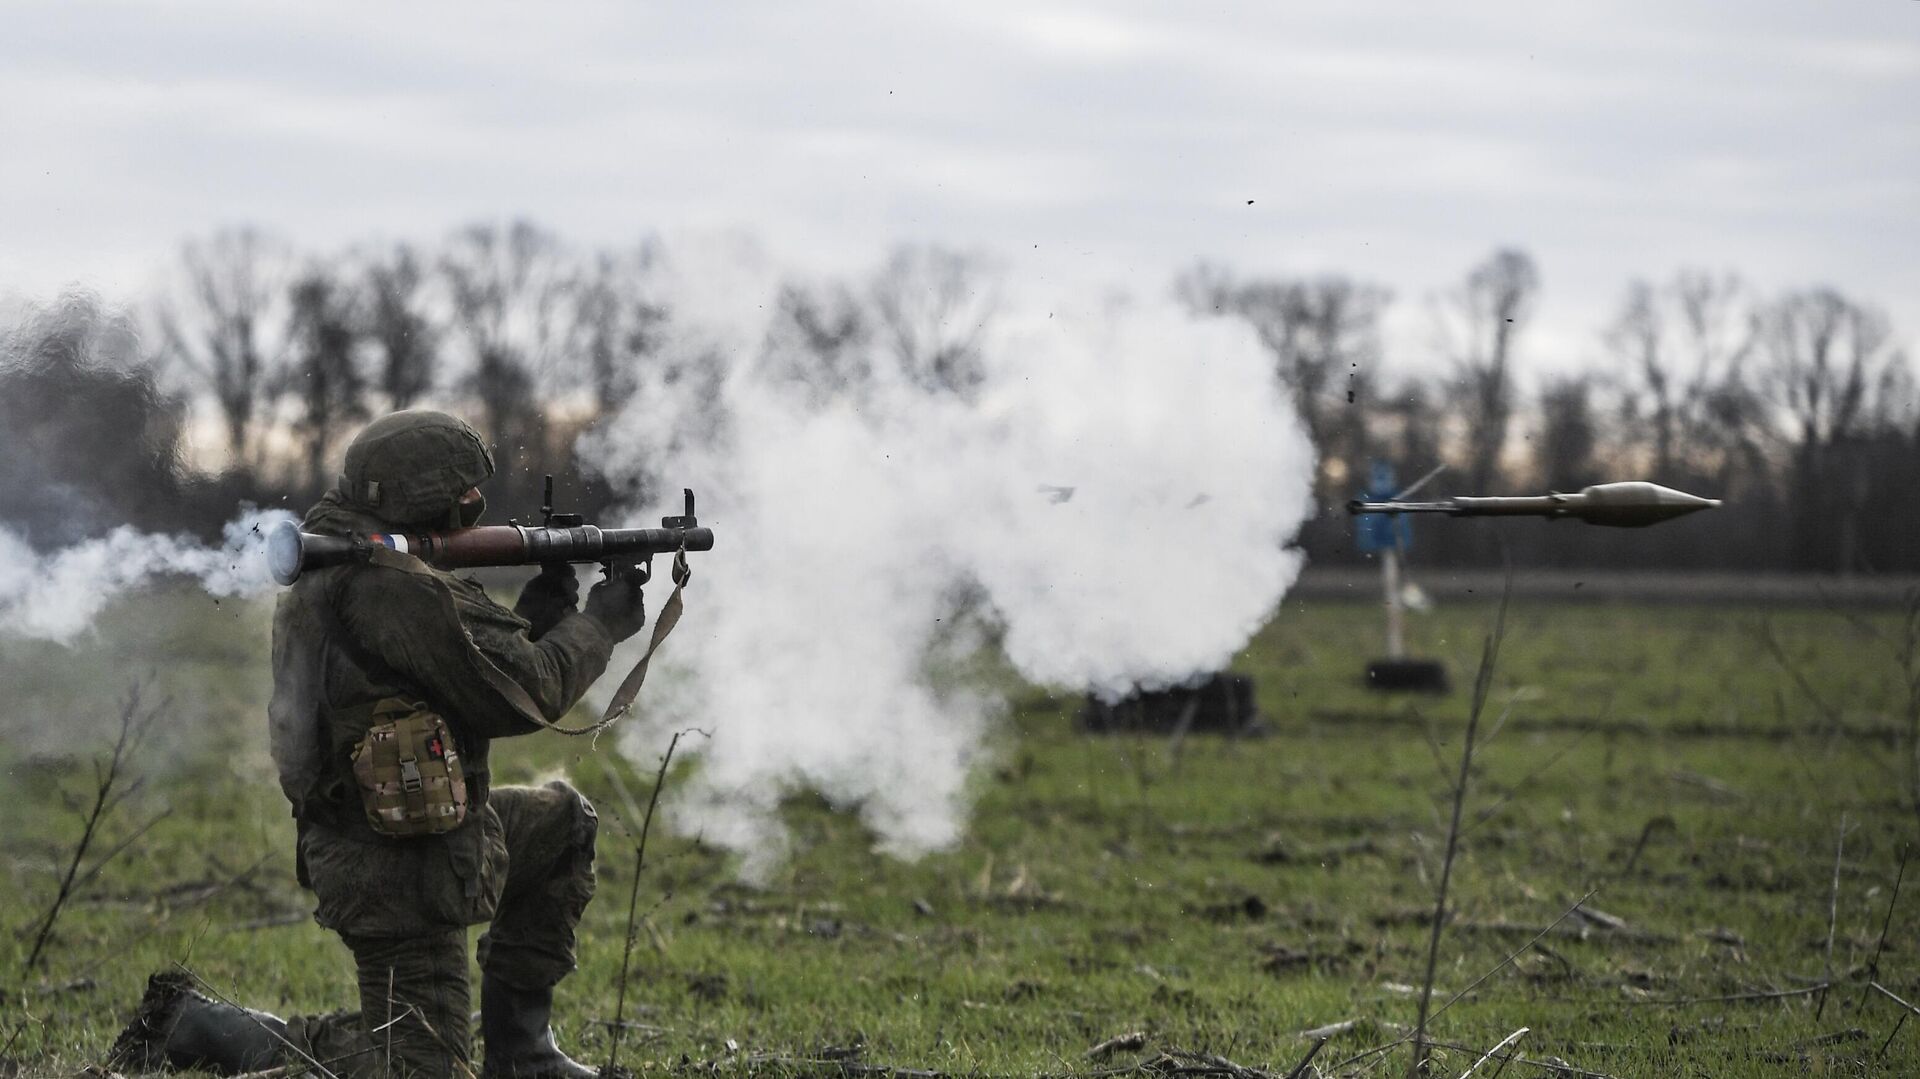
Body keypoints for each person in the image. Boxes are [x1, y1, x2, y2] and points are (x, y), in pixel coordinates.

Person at [111, 410, 649, 1078]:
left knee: (562, 825)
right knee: (421, 1064)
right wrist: (602, 624)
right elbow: (524, 689)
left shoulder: (351, 556)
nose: (474, 508)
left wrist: (543, 610)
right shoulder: (386, 583)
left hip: (417, 837)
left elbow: (455, 675)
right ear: (420, 500)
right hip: (397, 869)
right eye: (462, 498)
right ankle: (196, 1027)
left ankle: (524, 1054)